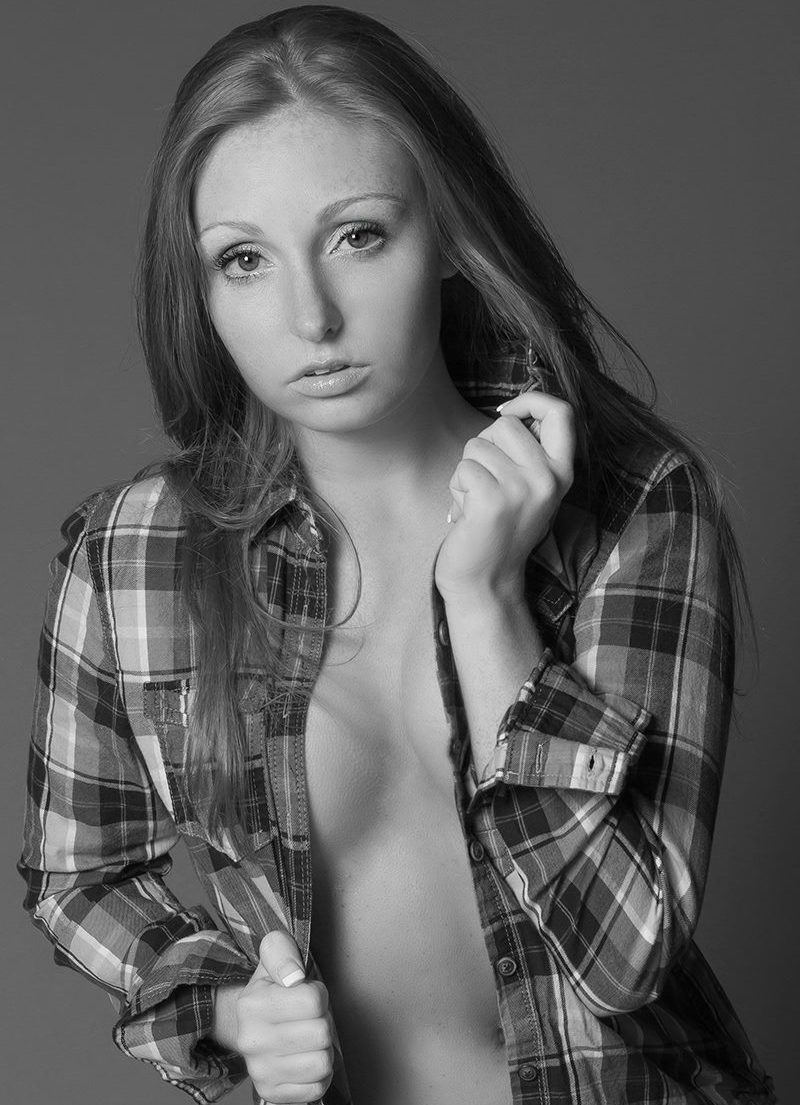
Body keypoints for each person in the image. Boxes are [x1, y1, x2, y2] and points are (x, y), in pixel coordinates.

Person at [17, 5, 777, 1104]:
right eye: (244, 259)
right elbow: (76, 873)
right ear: (202, 290)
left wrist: (485, 598)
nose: (310, 317)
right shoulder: (134, 552)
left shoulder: (629, 504)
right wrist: (227, 1011)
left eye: (357, 236)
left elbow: (626, 951)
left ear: (449, 235)